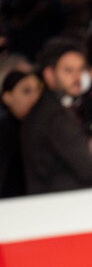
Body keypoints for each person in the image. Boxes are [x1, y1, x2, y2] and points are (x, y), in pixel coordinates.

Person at [21, 36, 92, 194]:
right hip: (62, 207)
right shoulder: (56, 118)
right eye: (69, 70)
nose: (77, 77)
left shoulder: (50, 111)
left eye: (80, 69)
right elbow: (89, 171)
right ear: (49, 74)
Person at [0, 70, 41, 198]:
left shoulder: (39, 128)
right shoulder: (4, 132)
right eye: (26, 91)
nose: (34, 97)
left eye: (38, 90)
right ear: (7, 97)